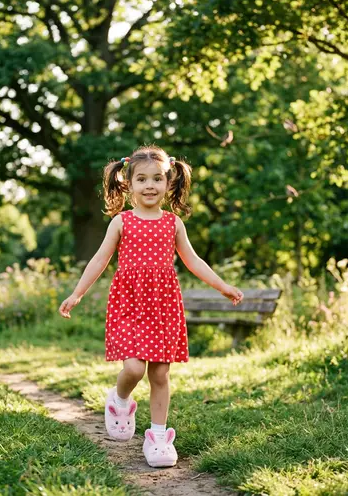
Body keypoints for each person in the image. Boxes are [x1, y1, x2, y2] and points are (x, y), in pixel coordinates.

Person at [59, 145, 244, 468]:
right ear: (128, 183)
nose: (149, 185)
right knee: (133, 368)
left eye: (157, 179)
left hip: (163, 307)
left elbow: (193, 261)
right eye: (142, 179)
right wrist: (77, 293)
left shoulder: (173, 224)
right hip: (129, 304)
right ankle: (119, 400)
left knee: (160, 373)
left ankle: (158, 437)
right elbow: (100, 260)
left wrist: (223, 286)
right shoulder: (121, 222)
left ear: (168, 183)